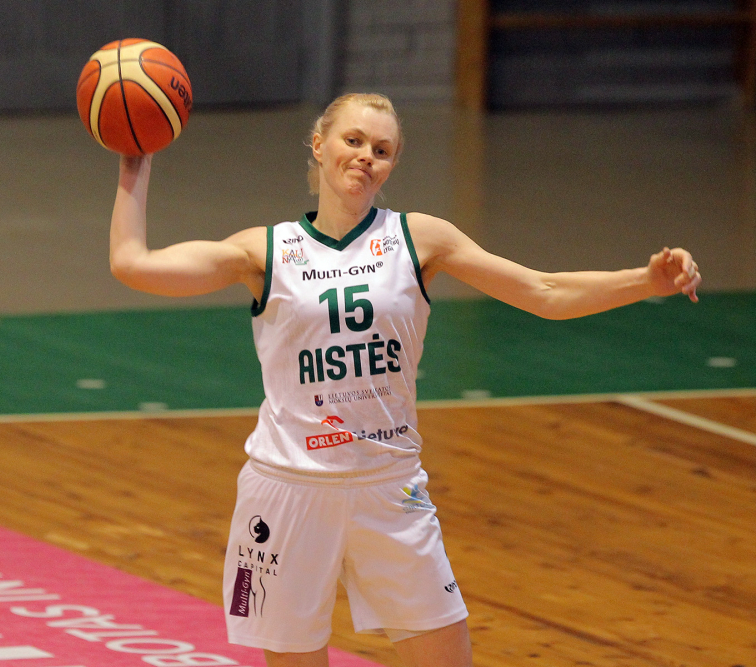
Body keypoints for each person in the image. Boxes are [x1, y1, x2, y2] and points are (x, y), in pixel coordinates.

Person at [108, 93, 701, 667]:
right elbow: (133, 265)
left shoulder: (418, 238)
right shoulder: (266, 250)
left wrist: (645, 281)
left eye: (382, 149)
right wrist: (136, 158)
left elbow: (543, 291)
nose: (366, 156)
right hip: (287, 490)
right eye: (353, 140)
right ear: (319, 144)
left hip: (389, 488)